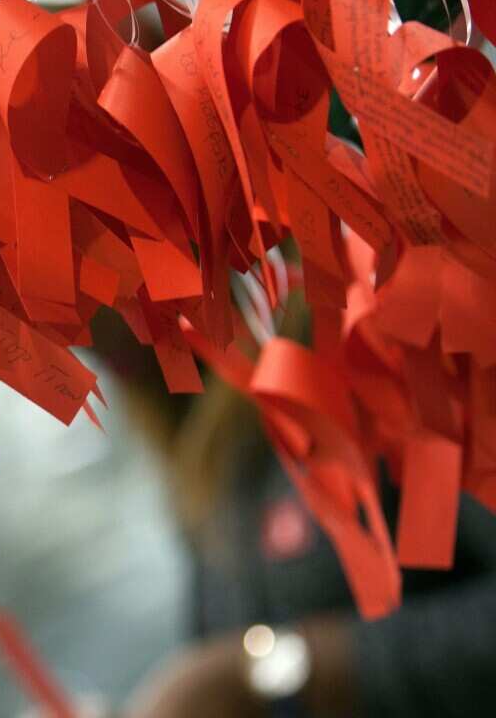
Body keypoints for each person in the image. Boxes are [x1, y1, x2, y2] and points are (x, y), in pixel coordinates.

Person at [97, 302, 496, 718]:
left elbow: (231, 679)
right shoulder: (204, 457)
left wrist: (284, 674)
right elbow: (212, 674)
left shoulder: (386, 328)